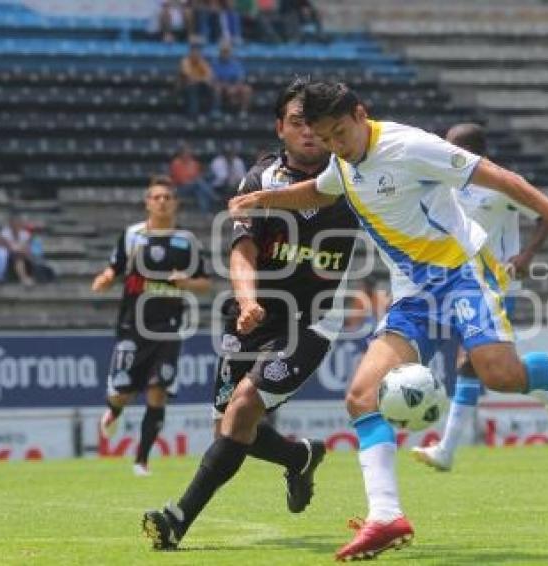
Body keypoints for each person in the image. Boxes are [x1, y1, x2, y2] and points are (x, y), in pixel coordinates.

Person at [228, 81, 548, 560]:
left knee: (502, 375)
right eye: (327, 139)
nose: (336, 147)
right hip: (413, 292)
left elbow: (496, 176)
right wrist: (263, 201)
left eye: (340, 133)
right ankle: (386, 517)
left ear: (360, 114)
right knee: (360, 397)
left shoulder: (408, 146)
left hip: (462, 273)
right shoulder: (343, 161)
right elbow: (320, 190)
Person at [142, 79, 360, 550]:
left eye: (314, 124)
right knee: (231, 423)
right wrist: (247, 301)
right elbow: (242, 251)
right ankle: (300, 456)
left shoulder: (353, 179)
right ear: (280, 127)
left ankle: (177, 520)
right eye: (296, 123)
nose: (307, 132)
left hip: (313, 321)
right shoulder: (259, 181)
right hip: (257, 314)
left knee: (242, 409)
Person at [411, 123, 548, 472]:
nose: (445, 151)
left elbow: (546, 216)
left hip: (496, 281)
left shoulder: (499, 184)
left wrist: (525, 255)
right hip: (451, 281)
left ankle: (447, 450)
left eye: (453, 146)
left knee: (469, 362)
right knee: (490, 369)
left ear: (474, 152)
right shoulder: (444, 182)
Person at [92, 176, 210, 476]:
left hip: (168, 327)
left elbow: (205, 282)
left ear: (175, 203)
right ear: (147, 202)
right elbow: (115, 267)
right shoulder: (132, 236)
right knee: (122, 392)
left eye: (167, 197)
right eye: (156, 197)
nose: (162, 201)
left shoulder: (187, 241)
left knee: (158, 390)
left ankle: (141, 460)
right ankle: (115, 410)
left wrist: (187, 282)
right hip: (133, 325)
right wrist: (105, 278)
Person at [169, 143, 220, 213]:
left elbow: (198, 175)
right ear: (181, 153)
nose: (187, 154)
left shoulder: (194, 163)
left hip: (194, 186)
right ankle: (213, 196)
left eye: (189, 152)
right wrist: (192, 180)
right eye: (185, 152)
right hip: (181, 188)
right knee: (198, 183)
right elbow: (180, 180)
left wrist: (194, 180)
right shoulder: (176, 163)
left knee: (200, 191)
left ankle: (204, 213)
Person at [211, 42, 253, 116]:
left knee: (247, 89)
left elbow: (240, 78)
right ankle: (216, 110)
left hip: (234, 85)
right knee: (217, 88)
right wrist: (226, 86)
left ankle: (243, 112)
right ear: (220, 52)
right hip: (221, 86)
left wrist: (234, 87)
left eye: (227, 52)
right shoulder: (215, 63)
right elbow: (214, 79)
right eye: (223, 52)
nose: (225, 54)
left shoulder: (235, 64)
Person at [179, 40, 217, 118]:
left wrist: (203, 79)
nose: (196, 54)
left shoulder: (202, 62)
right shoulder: (185, 61)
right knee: (193, 88)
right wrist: (202, 79)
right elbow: (188, 76)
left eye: (198, 53)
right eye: (194, 52)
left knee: (213, 88)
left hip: (200, 85)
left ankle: (213, 112)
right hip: (185, 86)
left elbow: (210, 75)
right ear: (190, 53)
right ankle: (193, 114)